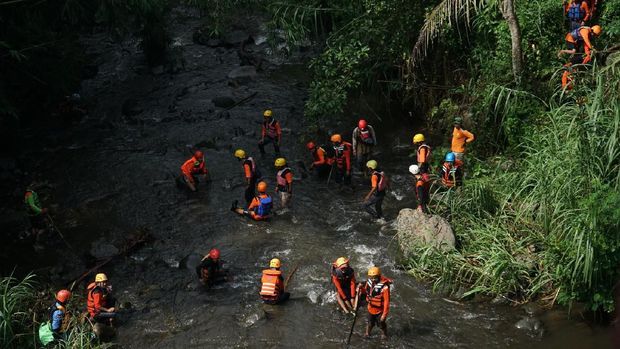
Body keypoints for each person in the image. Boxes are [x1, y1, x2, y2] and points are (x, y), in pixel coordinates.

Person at [362, 267, 391, 340]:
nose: (373, 280)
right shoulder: (369, 282)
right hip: (370, 308)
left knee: (381, 324)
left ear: (378, 276)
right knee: (370, 323)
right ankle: (367, 333)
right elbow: (365, 291)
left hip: (380, 310)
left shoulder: (384, 287)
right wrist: (360, 288)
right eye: (371, 278)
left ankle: (384, 334)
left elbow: (386, 303)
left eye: (375, 278)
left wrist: (384, 315)